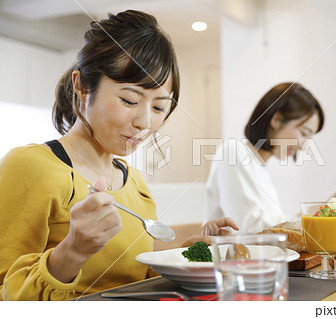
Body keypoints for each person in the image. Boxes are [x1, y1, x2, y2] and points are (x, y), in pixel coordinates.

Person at [0, 10, 237, 301]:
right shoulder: (30, 166)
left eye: (159, 108)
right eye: (129, 100)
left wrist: (188, 250)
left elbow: (133, 269)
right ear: (82, 86)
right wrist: (71, 252)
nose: (145, 122)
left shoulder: (132, 180)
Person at [204, 82, 336, 234]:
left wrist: (325, 209)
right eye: (304, 133)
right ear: (277, 119)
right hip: (236, 259)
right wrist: (326, 209)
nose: (304, 146)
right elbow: (252, 230)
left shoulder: (260, 168)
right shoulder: (233, 152)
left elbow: (276, 226)